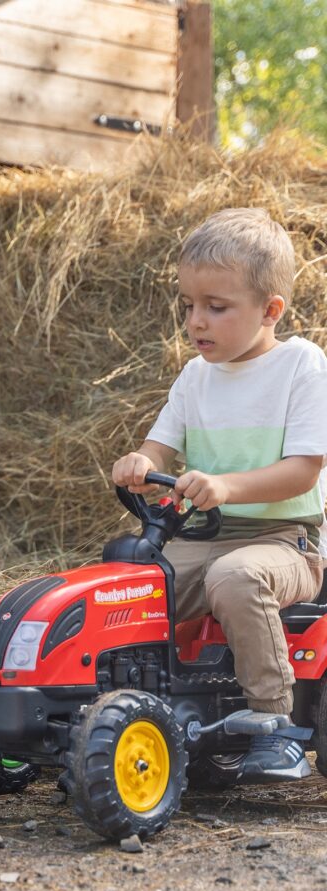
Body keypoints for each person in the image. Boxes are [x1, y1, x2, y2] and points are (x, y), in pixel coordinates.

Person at [112, 207, 327, 781]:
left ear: (270, 310)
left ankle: (274, 723)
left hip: (284, 542)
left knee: (235, 577)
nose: (196, 321)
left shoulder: (301, 366)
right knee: (125, 585)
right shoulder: (194, 377)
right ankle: (119, 714)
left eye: (216, 307)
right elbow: (157, 449)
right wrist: (140, 462)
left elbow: (304, 471)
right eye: (188, 305)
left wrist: (225, 485)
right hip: (200, 536)